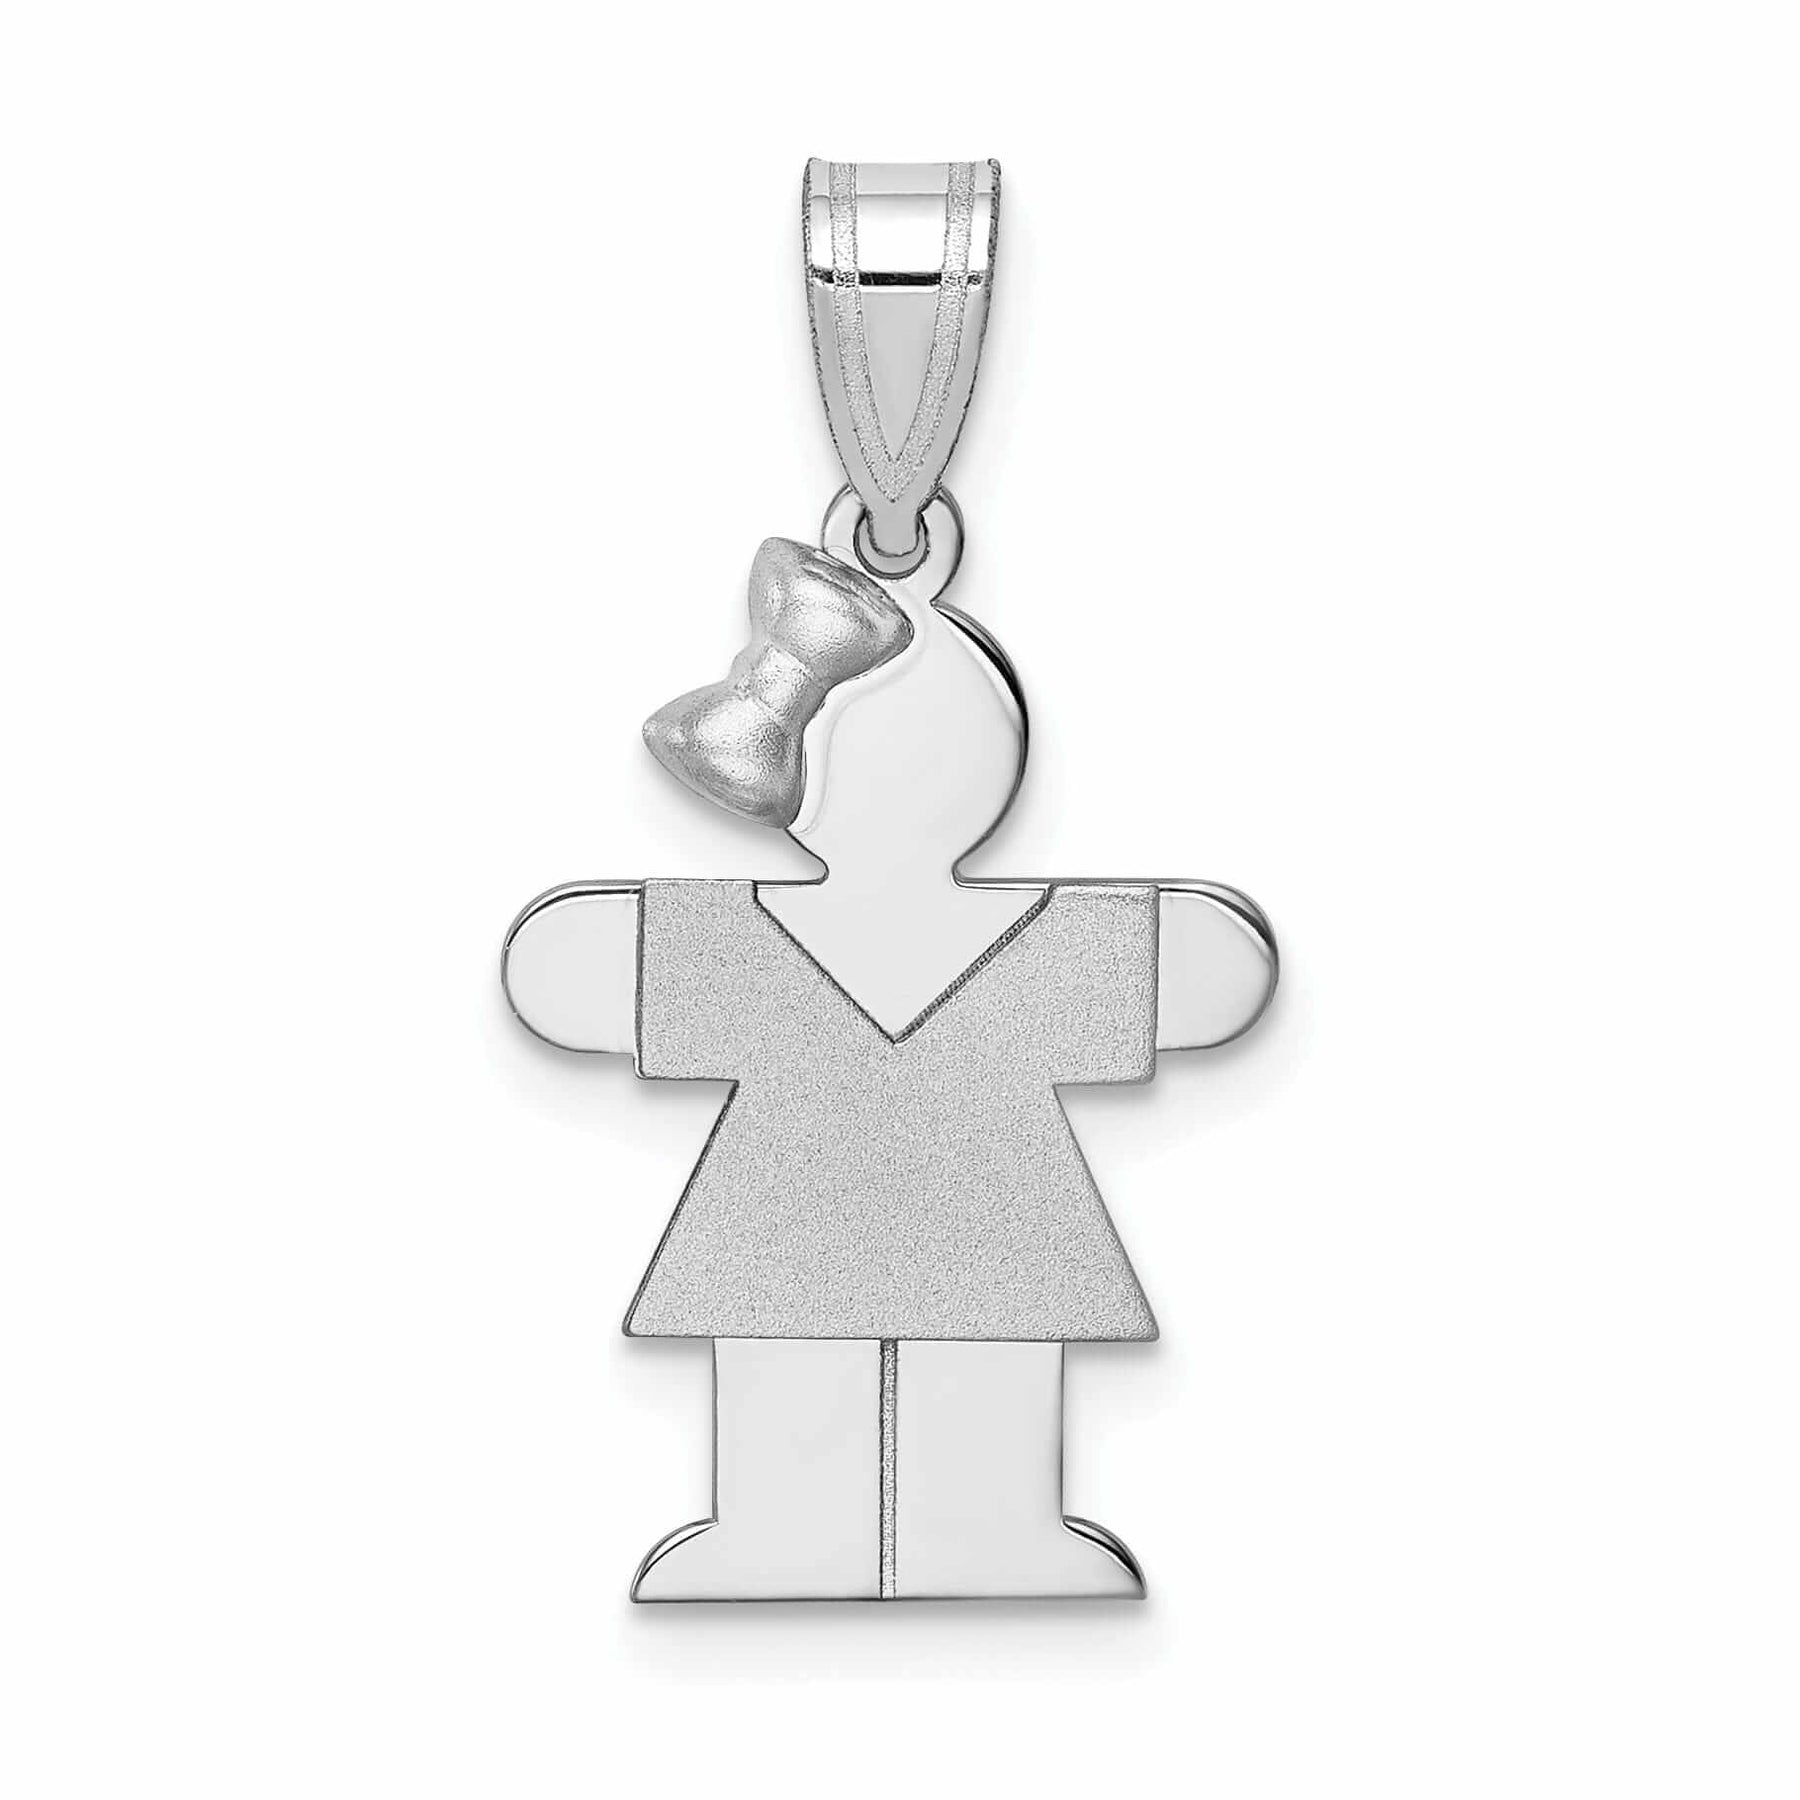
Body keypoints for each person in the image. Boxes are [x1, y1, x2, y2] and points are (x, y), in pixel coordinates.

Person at [504, 525, 1277, 1599]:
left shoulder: (1017, 942)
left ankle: (965, 1535)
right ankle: (795, 1534)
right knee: (798, 1373)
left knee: (971, 1380)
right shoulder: (790, 943)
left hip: (935, 1217)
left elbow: (563, 966)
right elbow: (1210, 965)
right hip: (861, 1214)